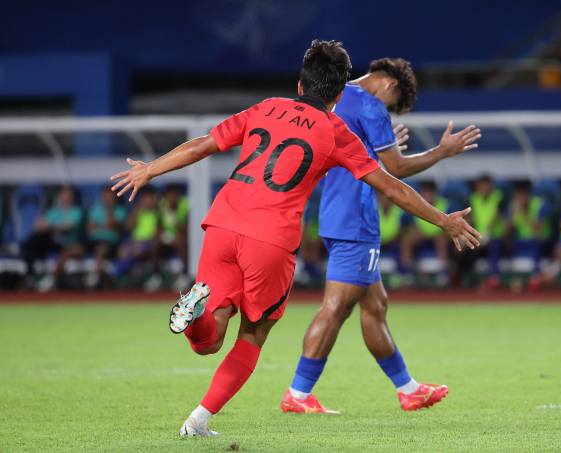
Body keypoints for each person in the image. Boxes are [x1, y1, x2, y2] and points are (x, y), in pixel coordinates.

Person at [110, 40, 481, 436]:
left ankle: (193, 326)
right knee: (252, 336)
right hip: (269, 240)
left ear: (301, 85)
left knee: (209, 338)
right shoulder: (336, 130)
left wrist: (150, 169)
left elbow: (203, 145)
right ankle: (209, 415)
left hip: (221, 226)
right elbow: (390, 186)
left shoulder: (264, 107)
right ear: (338, 96)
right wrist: (443, 220)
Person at [281, 57, 481, 414]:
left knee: (374, 306)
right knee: (335, 308)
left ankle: (409, 390)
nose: (388, 110)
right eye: (393, 105)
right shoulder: (372, 106)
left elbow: (354, 152)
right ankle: (298, 394)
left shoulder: (337, 95)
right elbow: (397, 169)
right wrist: (442, 151)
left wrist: (381, 143)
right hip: (357, 221)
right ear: (390, 84)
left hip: (333, 214)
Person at [22, 186, 84, 292]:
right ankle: (30, 276)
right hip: (49, 242)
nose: (66, 198)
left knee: (41, 238)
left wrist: (51, 227)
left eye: (69, 196)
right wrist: (43, 226)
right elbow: (39, 225)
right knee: (35, 243)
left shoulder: (76, 211)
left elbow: (69, 226)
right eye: (64, 195)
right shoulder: (54, 211)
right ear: (60, 196)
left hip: (64, 242)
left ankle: (20, 248)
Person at [503, 181, 552, 291]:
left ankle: (535, 278)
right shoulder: (513, 206)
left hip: (540, 240)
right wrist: (511, 216)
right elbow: (506, 231)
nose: (520, 198)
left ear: (528, 195)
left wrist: (524, 213)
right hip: (521, 241)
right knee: (498, 244)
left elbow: (537, 229)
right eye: (517, 195)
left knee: (534, 244)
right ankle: (494, 279)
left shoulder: (539, 204)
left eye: (522, 195)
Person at [401, 181, 451, 286]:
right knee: (407, 240)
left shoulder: (445, 205)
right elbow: (408, 225)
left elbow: (451, 225)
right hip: (421, 238)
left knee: (441, 239)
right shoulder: (414, 205)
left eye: (430, 192)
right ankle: (407, 274)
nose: (427, 195)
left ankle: (443, 274)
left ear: (434, 193)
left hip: (439, 236)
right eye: (425, 192)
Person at [463, 175, 506, 289]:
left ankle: (494, 278)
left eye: (486, 185)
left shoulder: (498, 196)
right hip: (479, 238)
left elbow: (498, 215)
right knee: (466, 250)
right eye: (481, 185)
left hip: (495, 236)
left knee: (495, 247)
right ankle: (469, 281)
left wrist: (487, 234)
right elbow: (469, 218)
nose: (484, 188)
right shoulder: (473, 198)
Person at [145, 185, 190, 292]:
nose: (171, 198)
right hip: (168, 238)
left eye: (173, 195)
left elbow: (184, 231)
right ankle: (157, 276)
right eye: (168, 196)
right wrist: (161, 235)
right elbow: (159, 225)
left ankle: (184, 276)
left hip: (181, 238)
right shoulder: (162, 205)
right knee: (155, 242)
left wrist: (172, 214)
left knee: (181, 242)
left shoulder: (185, 205)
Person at [85, 185, 128, 289]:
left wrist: (109, 211)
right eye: (105, 195)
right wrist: (105, 226)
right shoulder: (95, 209)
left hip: (111, 243)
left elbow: (114, 226)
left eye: (110, 195)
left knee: (101, 248)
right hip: (94, 240)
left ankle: (95, 275)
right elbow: (90, 227)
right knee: (76, 248)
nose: (107, 197)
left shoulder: (120, 210)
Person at [113, 187, 159, 279]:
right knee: (122, 251)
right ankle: (117, 274)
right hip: (133, 240)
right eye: (144, 198)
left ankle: (119, 274)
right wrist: (137, 210)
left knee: (136, 250)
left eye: (148, 198)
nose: (146, 201)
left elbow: (157, 233)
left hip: (148, 242)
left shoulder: (158, 213)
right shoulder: (139, 211)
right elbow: (129, 227)